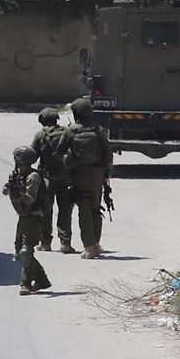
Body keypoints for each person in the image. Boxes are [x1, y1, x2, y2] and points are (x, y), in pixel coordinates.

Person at [62, 98, 114, 259]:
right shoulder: (98, 130)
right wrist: (107, 173)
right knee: (96, 209)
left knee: (84, 210)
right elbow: (108, 152)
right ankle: (96, 244)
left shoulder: (70, 131)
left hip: (78, 175)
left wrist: (68, 163)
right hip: (96, 175)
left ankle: (89, 247)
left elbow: (59, 152)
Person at [3, 146, 52, 295]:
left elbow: (31, 199)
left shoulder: (33, 177)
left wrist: (18, 195)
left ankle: (25, 284)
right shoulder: (18, 175)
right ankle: (42, 280)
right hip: (23, 217)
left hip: (33, 217)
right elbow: (6, 191)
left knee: (25, 252)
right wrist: (8, 189)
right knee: (19, 253)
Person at [30, 108, 75, 253]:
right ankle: (65, 243)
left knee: (45, 211)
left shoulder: (41, 135)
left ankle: (45, 243)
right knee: (65, 211)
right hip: (65, 178)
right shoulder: (66, 132)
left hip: (47, 179)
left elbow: (32, 157)